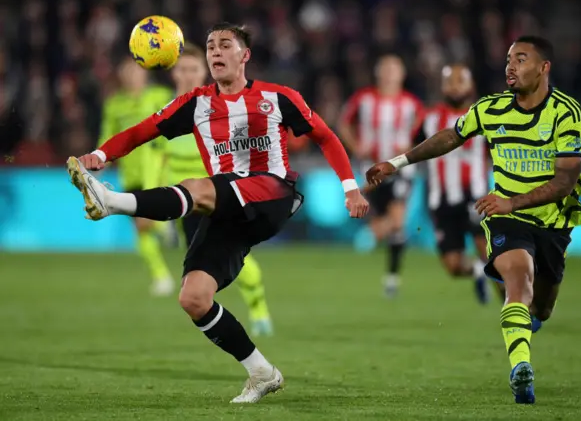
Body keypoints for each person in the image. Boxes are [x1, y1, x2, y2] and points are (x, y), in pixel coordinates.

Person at [66, 22, 369, 403]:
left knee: (196, 187)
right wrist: (100, 154)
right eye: (210, 46)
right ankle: (261, 371)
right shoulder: (196, 103)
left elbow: (325, 136)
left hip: (271, 191)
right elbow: (142, 132)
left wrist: (350, 187)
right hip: (228, 205)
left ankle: (111, 202)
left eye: (225, 45)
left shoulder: (279, 97)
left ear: (245, 56)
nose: (215, 52)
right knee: (193, 297)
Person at [366, 36, 581, 404]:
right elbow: (451, 136)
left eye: (521, 59)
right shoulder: (491, 108)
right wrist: (396, 163)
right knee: (518, 280)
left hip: (551, 221)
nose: (510, 67)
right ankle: (520, 368)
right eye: (507, 59)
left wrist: (513, 202)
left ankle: (523, 325)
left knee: (541, 307)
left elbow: (564, 182)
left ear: (544, 67)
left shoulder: (568, 113)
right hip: (504, 216)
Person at [165, 42, 274, 337]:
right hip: (184, 203)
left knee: (233, 258)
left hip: (218, 197)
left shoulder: (219, 109)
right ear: (174, 73)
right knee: (201, 265)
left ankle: (258, 307)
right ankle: (209, 312)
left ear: (206, 72)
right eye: (183, 69)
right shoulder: (165, 114)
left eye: (194, 69)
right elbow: (156, 158)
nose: (187, 75)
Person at [338, 54, 423, 297]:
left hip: (400, 169)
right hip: (370, 170)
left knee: (397, 219)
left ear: (401, 75)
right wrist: (355, 146)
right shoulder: (363, 99)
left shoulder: (411, 103)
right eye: (384, 69)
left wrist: (408, 147)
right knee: (390, 227)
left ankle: (372, 238)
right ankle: (392, 278)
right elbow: (343, 123)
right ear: (378, 73)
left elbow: (422, 133)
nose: (388, 74)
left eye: (393, 70)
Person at [413, 64, 493, 304]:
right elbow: (412, 148)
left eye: (461, 81)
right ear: (442, 86)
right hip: (442, 200)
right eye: (450, 81)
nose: (455, 86)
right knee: (453, 267)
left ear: (471, 86)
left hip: (477, 197)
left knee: (489, 254)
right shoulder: (429, 119)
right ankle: (477, 272)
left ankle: (515, 314)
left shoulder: (487, 117)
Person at [99, 58, 175, 296]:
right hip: (131, 174)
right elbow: (107, 136)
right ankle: (162, 276)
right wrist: (98, 159)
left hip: (161, 169)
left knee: (146, 223)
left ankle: (166, 226)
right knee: (141, 229)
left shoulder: (160, 95)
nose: (133, 77)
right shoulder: (115, 105)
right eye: (128, 73)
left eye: (137, 73)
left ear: (145, 75)